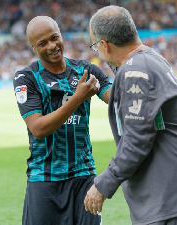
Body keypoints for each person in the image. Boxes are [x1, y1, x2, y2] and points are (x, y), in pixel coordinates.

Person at [84, 5, 177, 225]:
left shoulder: (135, 69)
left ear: (104, 45)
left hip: (170, 191)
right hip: (173, 186)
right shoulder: (149, 59)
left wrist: (103, 185)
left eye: (95, 46)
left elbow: (136, 139)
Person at [13, 16, 111, 225]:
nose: (52, 46)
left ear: (60, 35)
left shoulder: (86, 70)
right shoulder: (26, 78)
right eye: (42, 43)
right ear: (33, 47)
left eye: (54, 38)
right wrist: (77, 99)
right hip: (44, 180)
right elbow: (38, 128)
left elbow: (114, 98)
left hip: (83, 177)